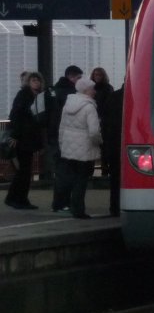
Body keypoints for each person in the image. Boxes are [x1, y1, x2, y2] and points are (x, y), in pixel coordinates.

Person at [57, 76, 102, 220]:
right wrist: (99, 142)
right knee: (82, 180)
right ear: (86, 90)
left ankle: (69, 205)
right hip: (85, 148)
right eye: (92, 88)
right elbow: (94, 131)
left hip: (69, 147)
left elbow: (62, 127)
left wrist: (62, 143)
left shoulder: (68, 104)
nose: (94, 91)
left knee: (71, 178)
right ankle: (79, 210)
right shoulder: (89, 107)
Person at [4, 71, 47, 210]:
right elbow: (16, 115)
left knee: (26, 170)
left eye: (38, 80)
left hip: (30, 138)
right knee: (23, 170)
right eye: (33, 80)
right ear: (28, 82)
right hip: (22, 138)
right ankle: (15, 198)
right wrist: (15, 135)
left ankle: (19, 198)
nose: (36, 82)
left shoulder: (39, 96)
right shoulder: (24, 95)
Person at [47, 65, 83, 210]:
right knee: (65, 171)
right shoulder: (69, 94)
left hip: (54, 136)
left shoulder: (54, 91)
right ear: (72, 77)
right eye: (79, 78)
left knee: (62, 171)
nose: (80, 81)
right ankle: (61, 203)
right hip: (64, 136)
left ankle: (60, 202)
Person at [100, 82, 124, 217]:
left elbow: (105, 124)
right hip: (129, 145)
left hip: (113, 145)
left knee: (115, 179)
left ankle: (114, 207)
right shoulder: (135, 97)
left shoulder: (112, 97)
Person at [90, 67, 114, 176]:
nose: (97, 77)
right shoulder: (105, 88)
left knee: (104, 147)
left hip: (103, 121)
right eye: (96, 75)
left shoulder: (106, 88)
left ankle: (105, 169)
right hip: (97, 119)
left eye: (99, 75)